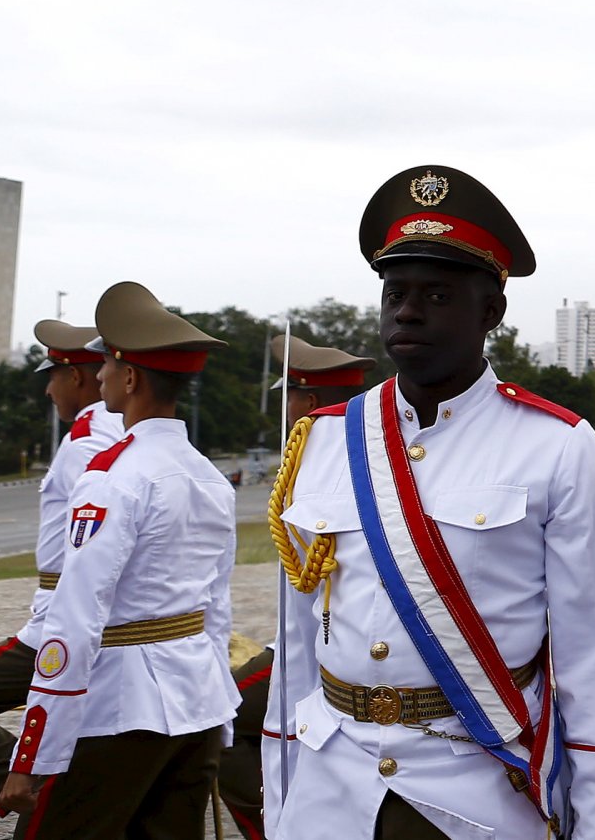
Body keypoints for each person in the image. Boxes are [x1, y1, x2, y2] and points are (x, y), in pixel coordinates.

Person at [264, 165, 595, 840]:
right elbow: (293, 647)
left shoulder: (556, 446)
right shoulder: (323, 442)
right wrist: (281, 798)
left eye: (436, 294)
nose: (407, 311)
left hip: (477, 787)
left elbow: (594, 658)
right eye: (395, 292)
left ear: (490, 312)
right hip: (329, 785)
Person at [1, 281, 240, 837]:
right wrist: (219, 713)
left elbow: (75, 618)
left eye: (107, 364)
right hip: (197, 702)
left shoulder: (112, 478)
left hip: (119, 708)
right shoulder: (209, 477)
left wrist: (36, 748)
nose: (99, 375)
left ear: (130, 378)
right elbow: (216, 609)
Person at [0, 318, 122, 814]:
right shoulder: (105, 432)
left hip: (62, 625)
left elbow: (96, 541)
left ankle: (49, 792)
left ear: (79, 377)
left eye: (53, 376)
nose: (48, 390)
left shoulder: (91, 438)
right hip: (69, 617)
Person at [215, 333, 377, 840]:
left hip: (322, 652)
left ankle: (274, 823)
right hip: (323, 646)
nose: (285, 408)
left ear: (307, 402)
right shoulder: (378, 452)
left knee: (217, 717)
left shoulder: (312, 459)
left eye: (290, 396)